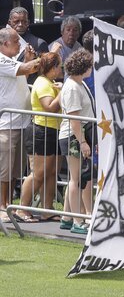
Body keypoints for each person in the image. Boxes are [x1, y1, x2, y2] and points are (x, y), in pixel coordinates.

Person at [17, 52, 63, 222]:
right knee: (38, 173)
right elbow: (49, 107)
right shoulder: (43, 83)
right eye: (59, 65)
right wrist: (62, 92)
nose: (61, 69)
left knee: (51, 173)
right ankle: (22, 209)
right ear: (52, 67)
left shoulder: (49, 82)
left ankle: (47, 209)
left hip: (52, 130)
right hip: (41, 131)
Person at [0, 28, 40, 223]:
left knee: (16, 169)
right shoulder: (0, 60)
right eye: (17, 41)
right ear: (5, 44)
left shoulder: (12, 62)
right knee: (4, 168)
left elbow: (22, 74)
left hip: (21, 121)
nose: (21, 45)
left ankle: (9, 205)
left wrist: (28, 61)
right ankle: (1, 206)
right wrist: (48, 57)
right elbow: (25, 70)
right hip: (6, 123)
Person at [58, 50, 95, 234]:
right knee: (76, 179)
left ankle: (66, 217)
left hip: (78, 135)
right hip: (73, 136)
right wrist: (82, 142)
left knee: (76, 178)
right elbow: (74, 120)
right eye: (90, 66)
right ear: (84, 67)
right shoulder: (72, 86)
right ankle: (77, 221)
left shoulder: (78, 84)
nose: (92, 69)